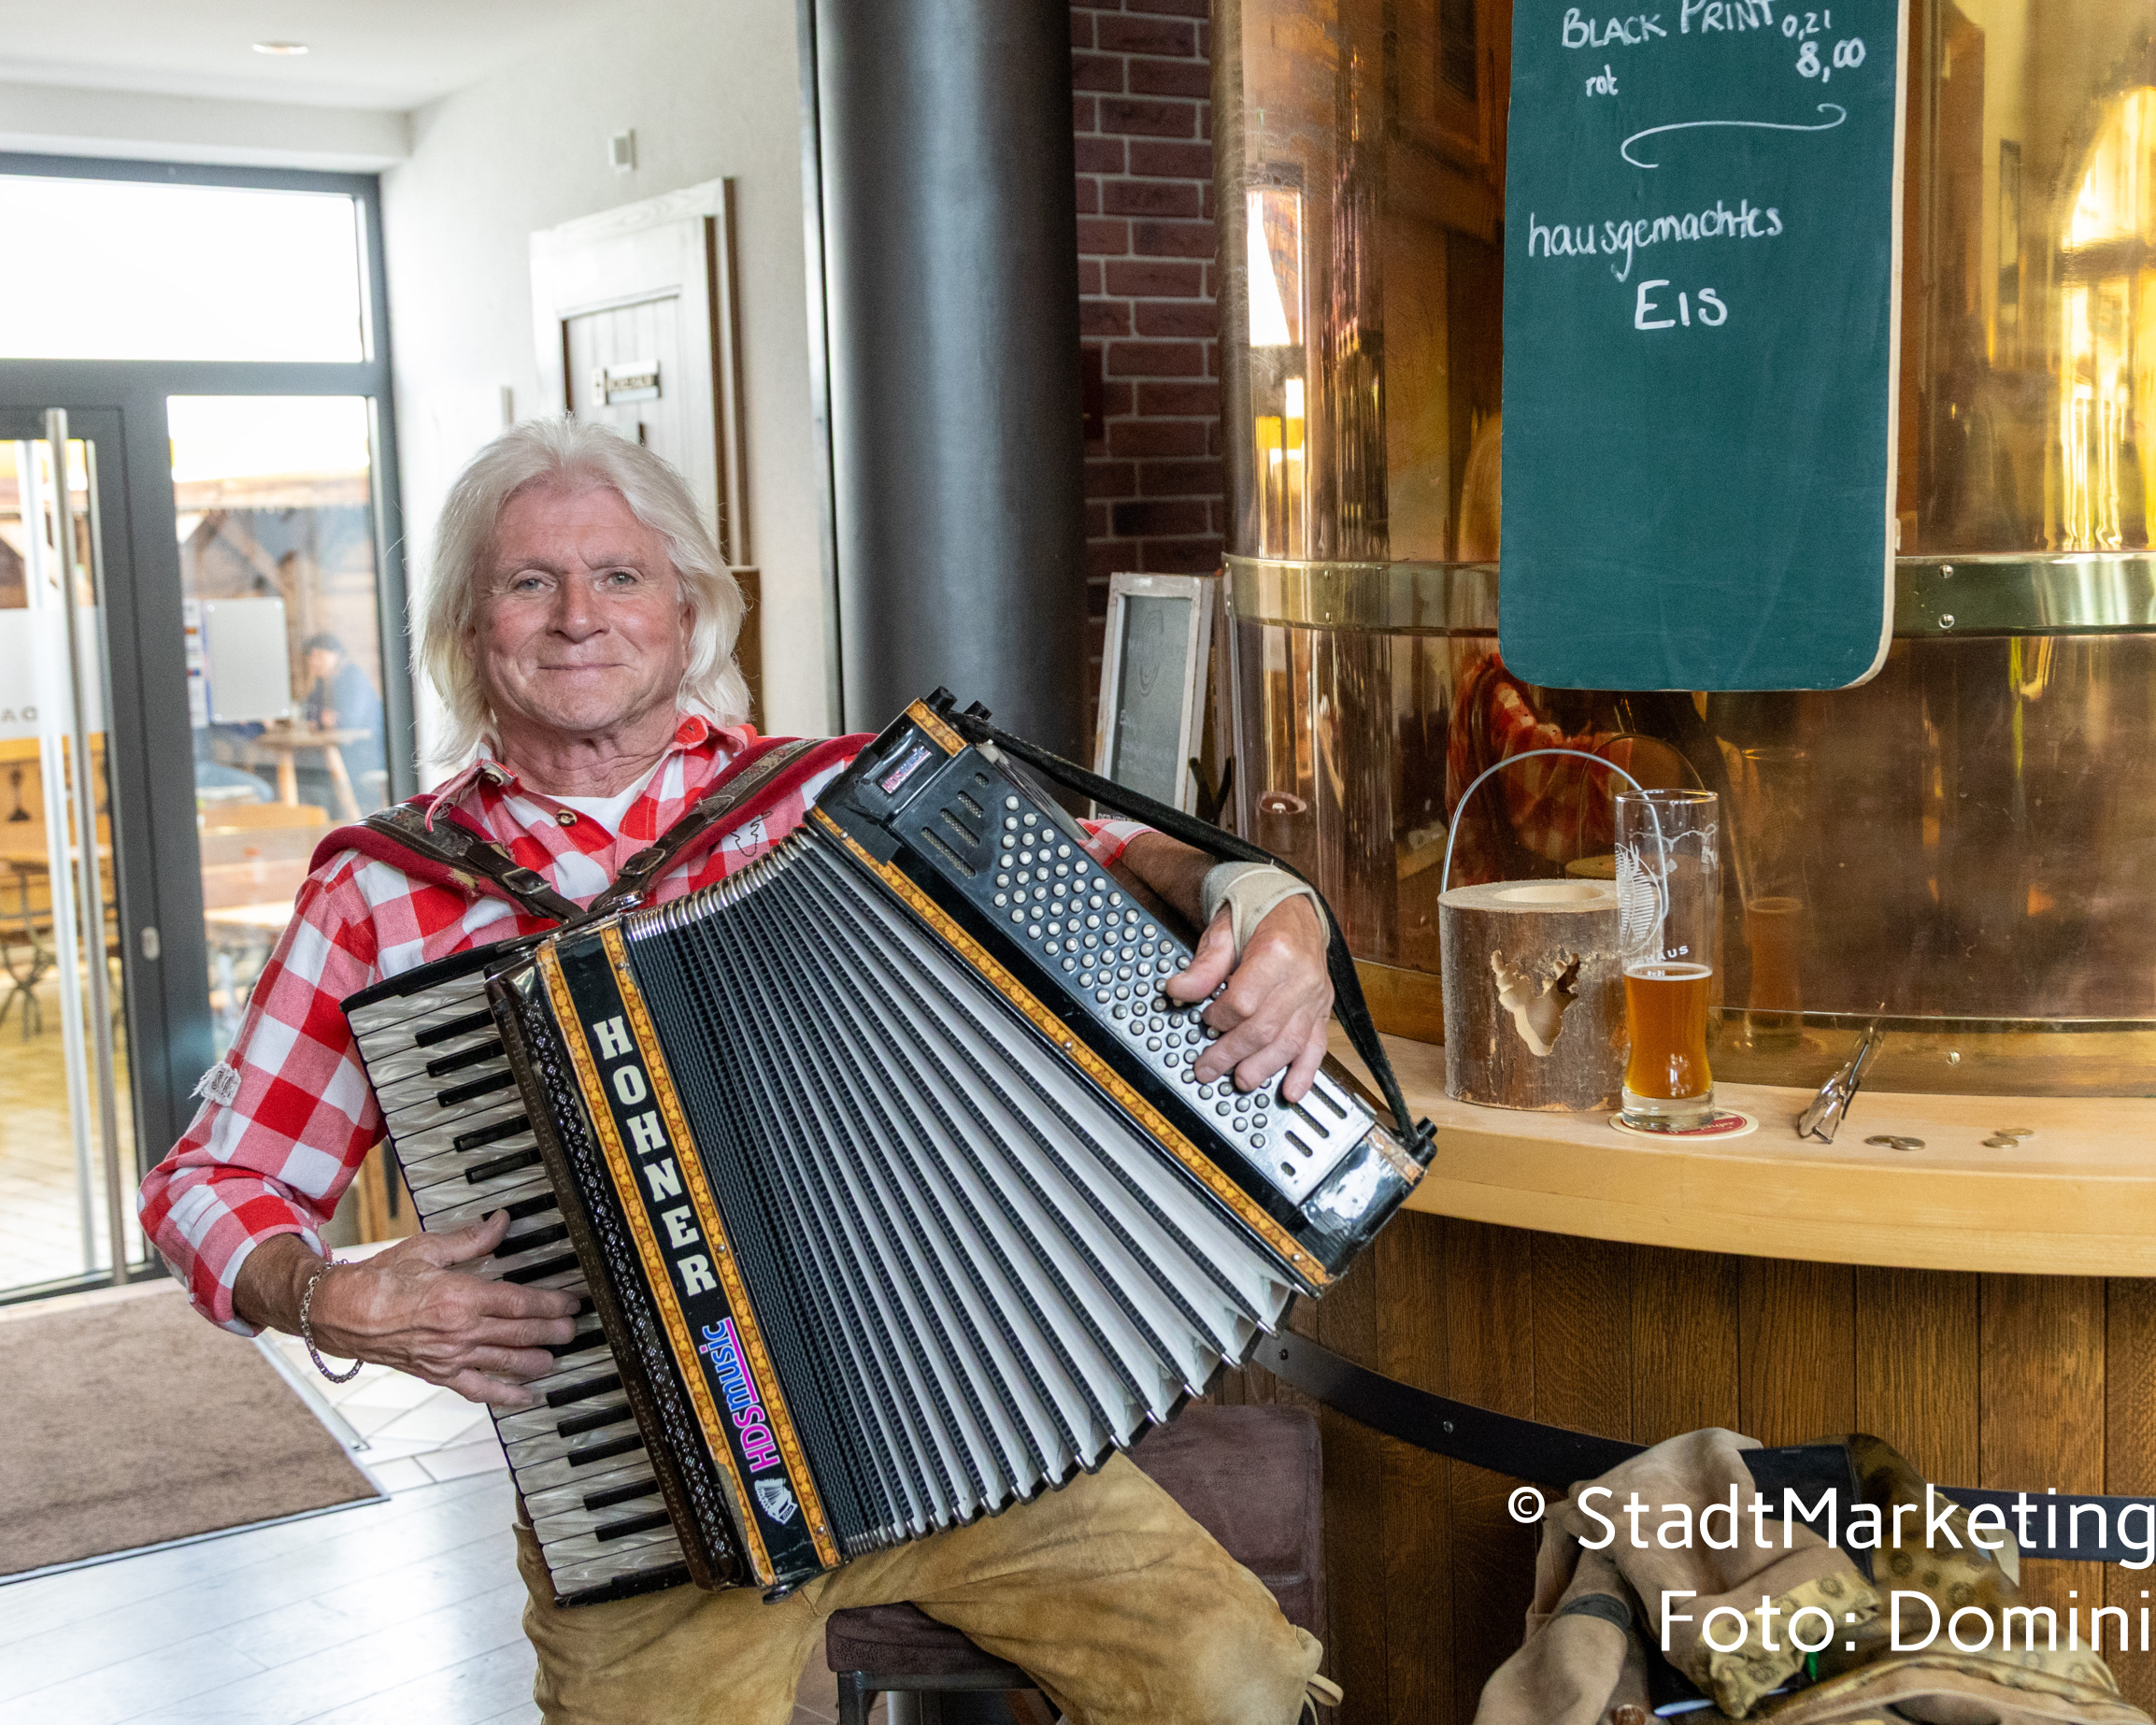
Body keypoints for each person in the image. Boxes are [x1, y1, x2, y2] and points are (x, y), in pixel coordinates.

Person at [139, 420, 1340, 1724]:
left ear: (688, 611)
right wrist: (323, 1295)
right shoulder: (383, 891)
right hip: (650, 1492)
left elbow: (1110, 856)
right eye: (530, 582)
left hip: (956, 1416)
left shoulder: (839, 799)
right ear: (471, 628)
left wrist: (1264, 899)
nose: (578, 615)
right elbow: (208, 1182)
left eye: (619, 575)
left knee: (1239, 1683)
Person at [298, 632, 385, 811]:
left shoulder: (352, 676)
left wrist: (327, 719)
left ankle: (340, 817)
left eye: (319, 656)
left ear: (336, 655)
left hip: (367, 752)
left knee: (320, 776)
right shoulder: (322, 683)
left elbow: (349, 720)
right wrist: (323, 718)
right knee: (309, 770)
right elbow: (309, 714)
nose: (313, 662)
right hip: (344, 751)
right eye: (311, 657)